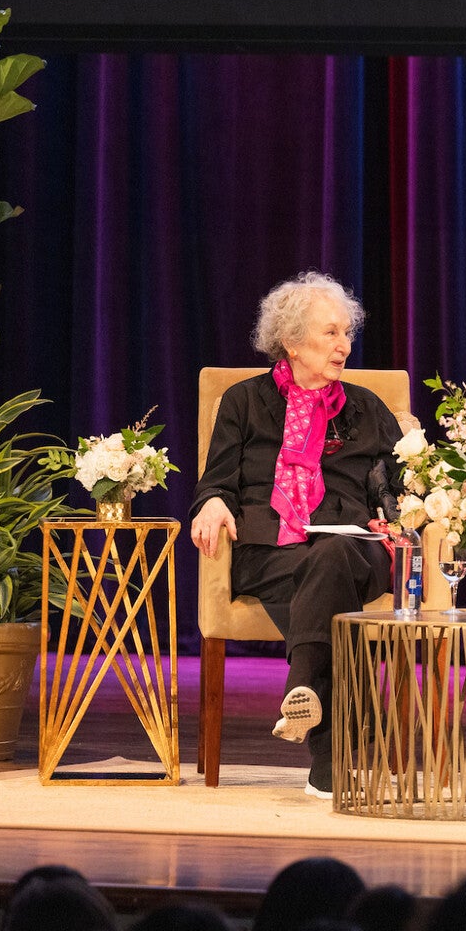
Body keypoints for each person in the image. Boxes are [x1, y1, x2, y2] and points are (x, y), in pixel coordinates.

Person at [189, 271, 405, 798]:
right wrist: (213, 501)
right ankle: (333, 758)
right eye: (330, 333)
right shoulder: (242, 402)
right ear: (290, 341)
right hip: (270, 552)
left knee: (331, 553)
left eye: (346, 333)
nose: (344, 345)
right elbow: (216, 480)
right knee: (320, 572)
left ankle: (303, 685)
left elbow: (404, 487)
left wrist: (405, 496)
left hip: (355, 547)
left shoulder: (366, 408)